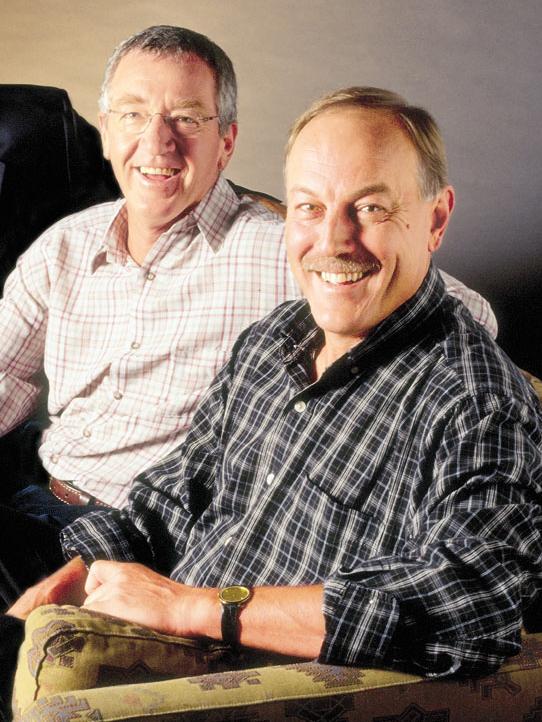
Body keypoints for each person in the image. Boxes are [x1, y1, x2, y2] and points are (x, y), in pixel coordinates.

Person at [3, 88, 541, 716]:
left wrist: (191, 607)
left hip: (220, 689)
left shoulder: (477, 401)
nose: (334, 241)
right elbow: (175, 496)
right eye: (310, 208)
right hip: (141, 636)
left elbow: (470, 605)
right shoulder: (273, 338)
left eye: (369, 208)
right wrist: (82, 566)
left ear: (436, 219)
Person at [0, 26, 496, 525]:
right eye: (133, 115)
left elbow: (463, 311)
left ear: (226, 142)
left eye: (188, 118)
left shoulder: (283, 248)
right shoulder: (64, 245)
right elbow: (6, 376)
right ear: (106, 131)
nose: (157, 142)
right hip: (37, 501)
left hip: (157, 540)